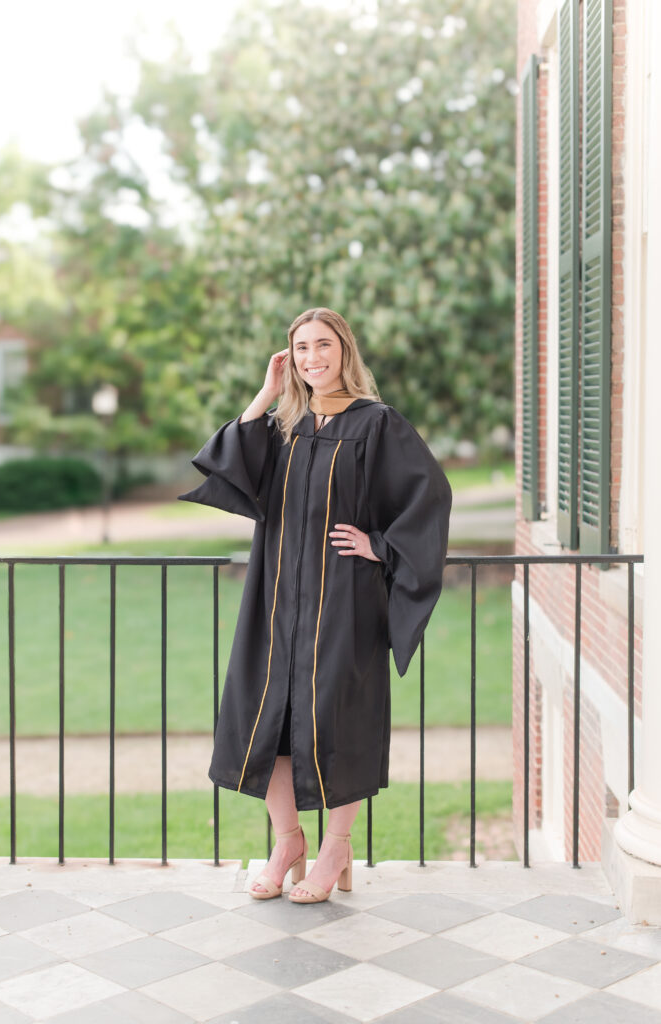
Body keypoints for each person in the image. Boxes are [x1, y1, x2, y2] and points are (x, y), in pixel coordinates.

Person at [179, 307, 452, 903]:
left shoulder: (376, 425)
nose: (312, 358)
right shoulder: (283, 426)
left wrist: (378, 546)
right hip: (275, 600)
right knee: (267, 720)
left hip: (343, 602)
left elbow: (428, 498)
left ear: (344, 350)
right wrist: (266, 392)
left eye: (322, 345)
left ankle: (336, 848)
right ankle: (287, 841)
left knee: (337, 716)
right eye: (300, 349)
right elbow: (228, 464)